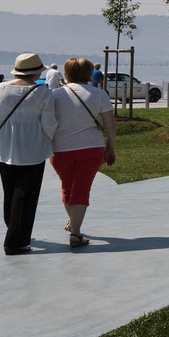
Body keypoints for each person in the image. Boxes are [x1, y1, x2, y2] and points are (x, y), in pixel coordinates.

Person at [0, 52, 58, 255]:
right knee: (27, 196)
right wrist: (48, 139)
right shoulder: (43, 93)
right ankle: (16, 240)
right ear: (37, 71)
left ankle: (14, 230)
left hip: (4, 149)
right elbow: (49, 124)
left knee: (11, 193)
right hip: (33, 150)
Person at [49, 57, 116, 248]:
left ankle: (73, 224)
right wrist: (110, 147)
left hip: (60, 149)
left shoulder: (54, 94)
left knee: (67, 187)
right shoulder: (99, 94)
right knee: (82, 188)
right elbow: (110, 125)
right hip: (91, 148)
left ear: (66, 73)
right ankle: (76, 232)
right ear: (89, 73)